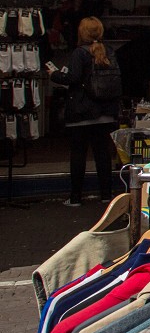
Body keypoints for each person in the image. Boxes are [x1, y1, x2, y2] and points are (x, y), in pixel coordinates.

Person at [49, 17, 122, 206]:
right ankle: (106, 195)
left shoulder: (79, 53)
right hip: (105, 112)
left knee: (78, 154)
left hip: (81, 113)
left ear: (82, 33)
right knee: (103, 154)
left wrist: (54, 75)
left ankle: (75, 197)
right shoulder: (110, 51)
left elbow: (72, 78)